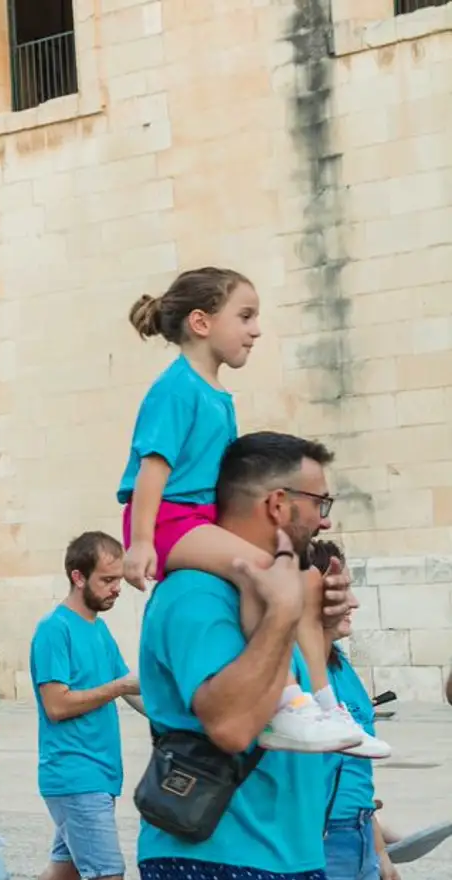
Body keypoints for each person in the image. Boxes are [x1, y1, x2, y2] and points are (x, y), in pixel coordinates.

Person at [137, 431, 367, 880]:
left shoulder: (273, 590)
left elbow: (306, 703)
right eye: (319, 501)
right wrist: (282, 614)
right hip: (224, 862)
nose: (326, 516)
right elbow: (233, 724)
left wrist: (309, 622)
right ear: (276, 504)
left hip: (288, 859)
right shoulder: (195, 594)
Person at [119, 269, 377, 757]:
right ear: (201, 322)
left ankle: (322, 701)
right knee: (267, 573)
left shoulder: (215, 394)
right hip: (171, 520)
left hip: (195, 519)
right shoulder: (177, 388)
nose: (256, 329)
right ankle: (285, 702)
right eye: (245, 316)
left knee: (288, 574)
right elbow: (153, 468)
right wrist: (141, 542)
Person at [0, 532, 192, 880]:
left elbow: (130, 691)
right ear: (77, 576)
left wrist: (183, 719)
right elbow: (57, 703)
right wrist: (116, 686)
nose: (116, 588)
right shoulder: (54, 630)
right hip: (73, 773)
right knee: (106, 874)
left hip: (98, 774)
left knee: (65, 867)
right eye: (107, 580)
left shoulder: (97, 629)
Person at [311, 539, 401, 880]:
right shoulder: (293, 669)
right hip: (315, 849)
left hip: (358, 844)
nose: (355, 602)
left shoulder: (340, 665)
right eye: (341, 588)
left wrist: (382, 855)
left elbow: (356, 776)